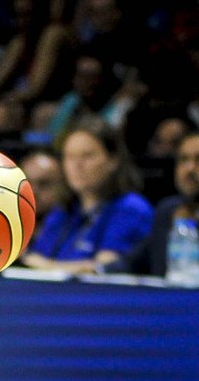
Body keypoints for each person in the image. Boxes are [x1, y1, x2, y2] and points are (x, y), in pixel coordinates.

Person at [19, 116, 154, 274]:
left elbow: (105, 270)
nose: (77, 165)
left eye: (87, 156)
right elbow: (37, 257)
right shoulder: (64, 211)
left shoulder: (131, 208)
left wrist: (44, 265)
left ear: (113, 160)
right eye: (70, 157)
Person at [105, 129, 199, 281]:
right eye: (183, 160)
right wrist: (96, 269)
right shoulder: (168, 210)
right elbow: (132, 262)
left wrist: (186, 229)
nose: (190, 168)